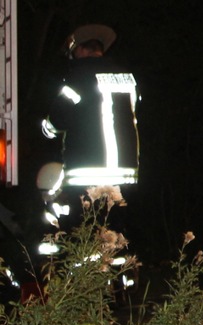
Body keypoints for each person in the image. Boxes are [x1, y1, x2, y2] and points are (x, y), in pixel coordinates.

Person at [38, 23, 139, 251]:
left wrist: (46, 128)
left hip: (87, 171)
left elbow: (56, 121)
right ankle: (120, 279)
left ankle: (87, 280)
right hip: (125, 172)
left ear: (81, 50)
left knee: (85, 233)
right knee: (116, 234)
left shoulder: (78, 78)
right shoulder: (126, 78)